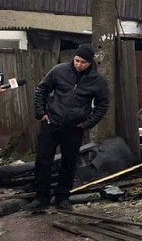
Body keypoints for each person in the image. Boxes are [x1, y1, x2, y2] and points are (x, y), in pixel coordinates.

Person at [25, 44, 109, 211]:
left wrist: (87, 124)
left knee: (69, 163)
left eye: (83, 62)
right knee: (43, 160)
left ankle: (62, 198)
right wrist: (41, 112)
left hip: (74, 128)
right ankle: (41, 197)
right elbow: (41, 89)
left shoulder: (98, 81)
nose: (78, 64)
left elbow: (102, 105)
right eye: (77, 60)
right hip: (51, 122)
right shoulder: (59, 70)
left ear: (90, 63)